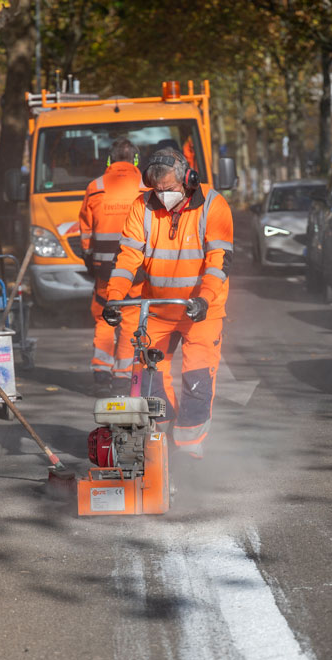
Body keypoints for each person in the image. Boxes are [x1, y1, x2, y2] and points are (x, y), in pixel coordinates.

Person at [101, 147, 233, 459]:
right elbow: (127, 258)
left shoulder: (213, 205)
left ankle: (189, 447)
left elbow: (219, 260)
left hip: (201, 310)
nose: (163, 196)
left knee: (197, 378)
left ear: (188, 180)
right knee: (151, 379)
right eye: (157, 190)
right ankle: (161, 443)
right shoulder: (142, 206)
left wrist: (204, 299)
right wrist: (114, 298)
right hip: (157, 308)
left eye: (170, 189)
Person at [78, 137, 146, 396]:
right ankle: (122, 376)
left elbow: (85, 230)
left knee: (105, 317)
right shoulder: (146, 187)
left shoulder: (95, 187)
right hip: (136, 269)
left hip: (104, 268)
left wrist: (89, 259)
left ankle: (101, 372)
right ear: (136, 160)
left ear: (109, 159)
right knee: (130, 319)